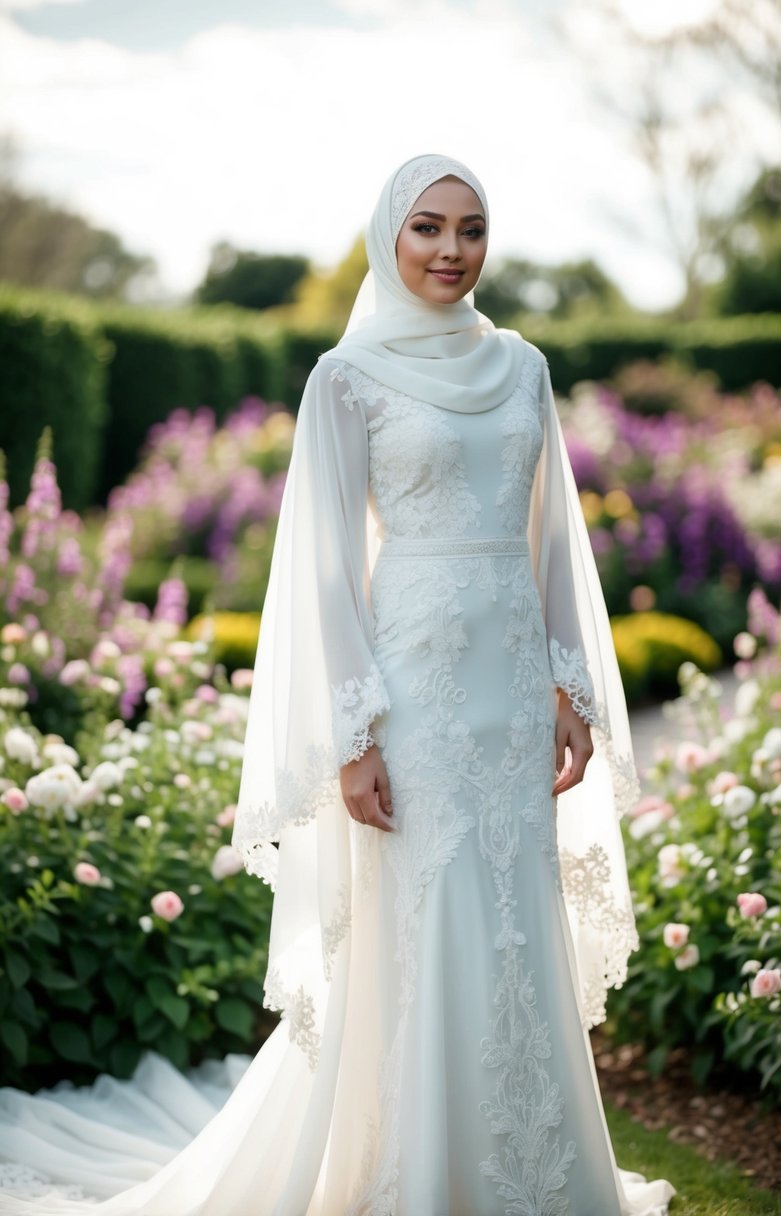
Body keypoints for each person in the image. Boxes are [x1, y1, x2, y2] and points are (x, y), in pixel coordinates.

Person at [0, 154, 675, 1215]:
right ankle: (412, 1164)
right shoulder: (344, 378)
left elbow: (550, 542)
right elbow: (321, 572)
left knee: (511, 912)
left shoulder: (526, 370)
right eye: (428, 228)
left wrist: (569, 691)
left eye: (469, 229)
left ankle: (530, 1167)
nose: (450, 250)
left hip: (510, 688)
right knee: (427, 907)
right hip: (411, 690)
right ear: (389, 237)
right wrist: (354, 736)